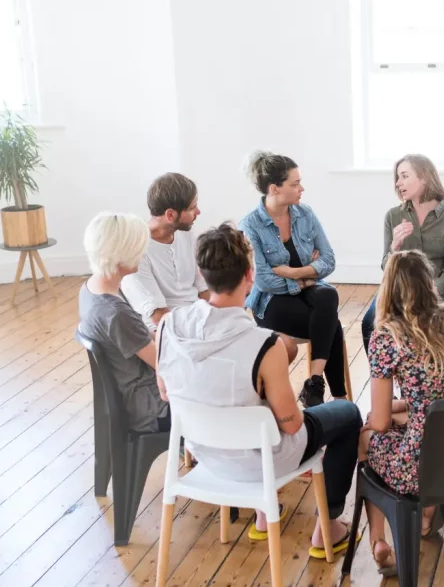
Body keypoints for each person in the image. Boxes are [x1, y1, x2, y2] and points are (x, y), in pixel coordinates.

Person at [156, 223, 362, 557]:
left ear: (201, 273)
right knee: (348, 414)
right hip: (258, 463)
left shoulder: (167, 326)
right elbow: (292, 426)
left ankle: (266, 516)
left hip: (203, 455)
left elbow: (166, 392)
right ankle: (329, 528)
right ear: (250, 275)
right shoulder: (263, 345)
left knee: (249, 403)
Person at [360, 250, 444, 574]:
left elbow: (382, 422)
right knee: (408, 430)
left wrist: (386, 414)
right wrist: (405, 409)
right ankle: (426, 517)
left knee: (367, 435)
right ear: (429, 283)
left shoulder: (387, 337)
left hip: (422, 466)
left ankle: (378, 542)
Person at [121, 172, 298, 363]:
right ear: (170, 215)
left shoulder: (184, 233)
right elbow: (160, 318)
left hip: (204, 320)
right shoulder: (136, 250)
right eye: (192, 208)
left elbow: (204, 289)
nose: (198, 212)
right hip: (177, 334)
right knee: (269, 353)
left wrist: (226, 319)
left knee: (286, 346)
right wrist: (212, 326)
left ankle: (251, 389)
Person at [238, 151, 346, 407]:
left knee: (328, 295)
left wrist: (292, 273)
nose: (302, 189)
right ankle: (338, 398)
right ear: (274, 189)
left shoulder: (304, 214)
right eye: (295, 184)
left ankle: (315, 384)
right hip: (270, 302)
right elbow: (263, 280)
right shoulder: (250, 225)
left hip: (308, 293)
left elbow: (329, 259)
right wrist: (308, 273)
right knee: (331, 325)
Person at [360, 154, 444, 353]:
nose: (398, 183)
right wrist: (395, 246)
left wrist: (427, 293)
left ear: (424, 177)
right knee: (369, 323)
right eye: (397, 178)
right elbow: (386, 266)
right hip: (398, 291)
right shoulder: (393, 216)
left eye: (404, 176)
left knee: (432, 324)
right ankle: (382, 380)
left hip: (439, 292)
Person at [78, 212, 169, 434]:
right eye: (139, 249)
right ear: (121, 255)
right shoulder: (115, 314)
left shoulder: (92, 288)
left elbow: (146, 336)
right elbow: (164, 365)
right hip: (152, 409)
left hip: (137, 398)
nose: (143, 253)